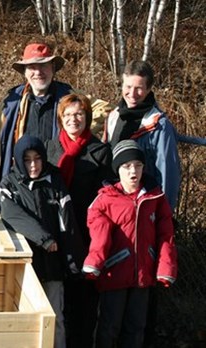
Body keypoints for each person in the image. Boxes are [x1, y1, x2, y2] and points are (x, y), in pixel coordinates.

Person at [82, 140, 177, 348]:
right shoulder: (105, 199)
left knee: (136, 328)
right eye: (126, 167)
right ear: (118, 170)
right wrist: (94, 263)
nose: (133, 171)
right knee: (109, 327)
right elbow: (99, 234)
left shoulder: (155, 197)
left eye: (138, 165)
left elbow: (166, 235)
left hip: (143, 274)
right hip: (114, 273)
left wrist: (165, 267)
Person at [0, 135, 82, 348]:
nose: (33, 165)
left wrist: (72, 262)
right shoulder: (9, 184)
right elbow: (12, 214)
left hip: (53, 265)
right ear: (18, 160)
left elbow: (67, 223)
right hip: (26, 265)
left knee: (56, 319)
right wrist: (44, 239)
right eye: (27, 160)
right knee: (25, 319)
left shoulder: (55, 181)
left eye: (37, 159)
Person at [46, 93, 114, 348]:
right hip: (56, 232)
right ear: (60, 119)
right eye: (67, 115)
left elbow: (106, 198)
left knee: (83, 300)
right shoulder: (51, 148)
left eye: (78, 114)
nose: (73, 119)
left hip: (86, 235)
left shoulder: (99, 151)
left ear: (87, 117)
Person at [0, 42, 72, 205]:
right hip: (19, 186)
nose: (38, 72)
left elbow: (102, 112)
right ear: (25, 72)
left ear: (53, 68)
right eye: (32, 67)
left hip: (56, 185)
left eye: (43, 66)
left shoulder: (68, 97)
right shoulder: (11, 102)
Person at [102, 60, 180, 211]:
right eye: (128, 86)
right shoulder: (113, 117)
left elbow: (168, 173)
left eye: (139, 88)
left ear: (149, 89)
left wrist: (164, 213)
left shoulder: (158, 126)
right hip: (115, 202)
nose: (132, 94)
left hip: (144, 205)